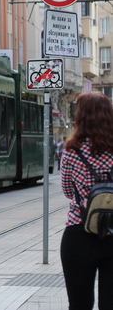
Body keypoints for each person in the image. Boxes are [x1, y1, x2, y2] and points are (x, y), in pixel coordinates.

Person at [60, 91, 113, 310]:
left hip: (79, 231)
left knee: (79, 304)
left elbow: (67, 191)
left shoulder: (72, 150)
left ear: (80, 116)